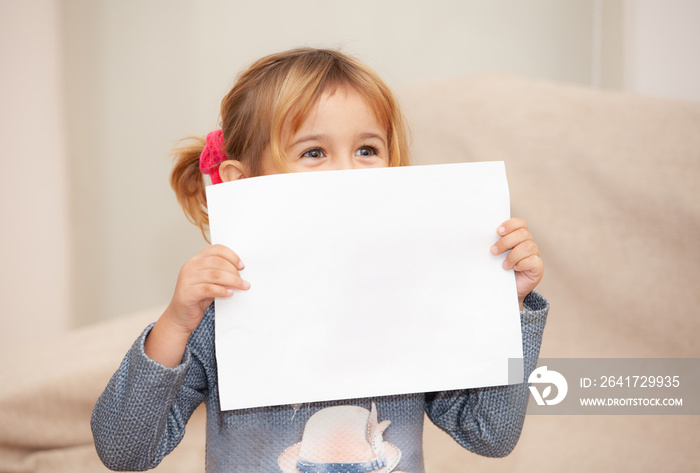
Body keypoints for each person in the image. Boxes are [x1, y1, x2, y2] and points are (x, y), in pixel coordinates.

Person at [91, 47, 548, 473]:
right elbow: (124, 450)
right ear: (240, 183)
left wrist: (507, 312)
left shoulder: (414, 299)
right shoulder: (222, 310)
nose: (348, 173)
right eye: (314, 152)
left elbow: (491, 434)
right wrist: (175, 323)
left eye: (367, 150)